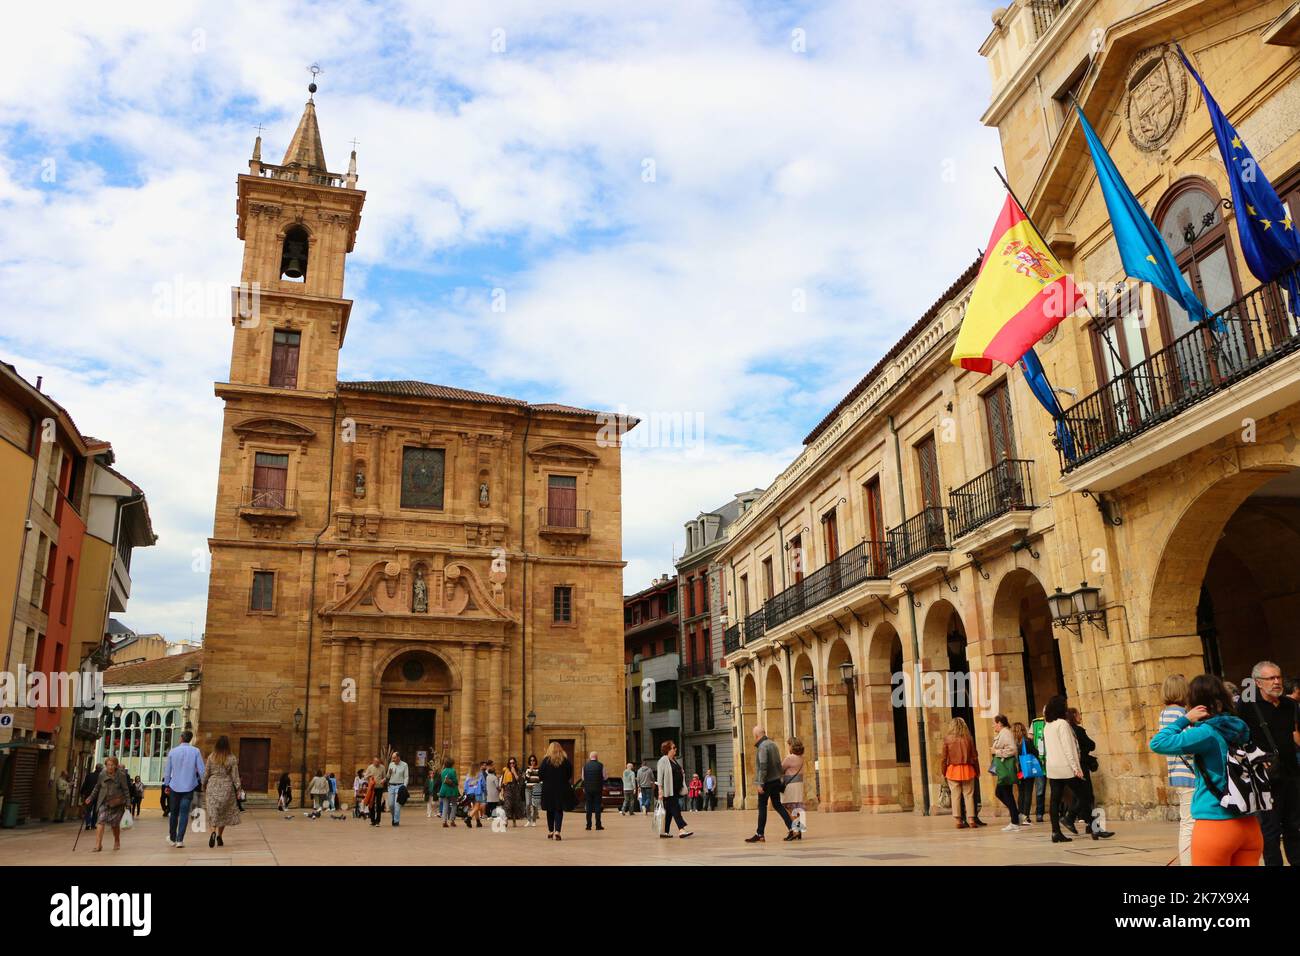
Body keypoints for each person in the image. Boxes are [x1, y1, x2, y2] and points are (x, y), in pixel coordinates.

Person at [1150, 673, 1265, 866]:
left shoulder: (1205, 733)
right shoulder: (1240, 727)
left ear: (1195, 703)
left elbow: (1158, 743)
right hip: (1249, 825)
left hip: (1215, 823)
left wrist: (1185, 719)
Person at [1240, 660, 1299, 866]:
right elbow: (1236, 738)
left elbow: (1293, 734)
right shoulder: (1246, 707)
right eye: (1270, 678)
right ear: (1257, 682)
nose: (1276, 682)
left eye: (1278, 677)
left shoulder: (1290, 705)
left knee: (1295, 826)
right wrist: (1253, 755)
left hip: (1291, 774)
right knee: (1270, 830)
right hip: (1266, 779)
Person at [1159, 674, 1197, 865]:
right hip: (1188, 772)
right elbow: (1188, 742)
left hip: (1177, 771)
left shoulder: (1165, 713)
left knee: (1187, 821)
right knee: (1190, 823)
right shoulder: (1180, 714)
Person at [1066, 707, 1114, 838]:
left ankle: (1091, 827)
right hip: (1081, 767)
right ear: (1073, 716)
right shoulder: (1078, 731)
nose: (1080, 716)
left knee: (1082, 796)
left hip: (1072, 767)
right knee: (1086, 796)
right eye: (1078, 714)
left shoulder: (1068, 730)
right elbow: (1091, 745)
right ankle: (1070, 818)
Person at [745, 724, 793, 843]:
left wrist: (760, 783)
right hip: (776, 780)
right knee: (777, 805)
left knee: (762, 806)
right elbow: (778, 763)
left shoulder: (762, 747)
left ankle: (760, 834)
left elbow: (763, 766)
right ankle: (793, 827)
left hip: (766, 782)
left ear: (756, 735)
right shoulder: (773, 744)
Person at [162, 729, 205, 849]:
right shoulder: (195, 751)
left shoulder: (173, 751)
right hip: (189, 786)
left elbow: (167, 770)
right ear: (190, 739)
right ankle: (180, 839)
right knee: (184, 813)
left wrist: (166, 784)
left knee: (174, 813)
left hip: (174, 786)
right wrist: (203, 782)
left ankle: (172, 837)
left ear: (181, 737)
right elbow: (201, 769)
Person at [85, 755, 132, 852]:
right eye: (108, 765)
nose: (110, 767)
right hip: (104, 802)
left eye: (112, 765)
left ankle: (117, 840)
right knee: (100, 821)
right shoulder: (102, 774)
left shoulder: (121, 775)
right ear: (106, 765)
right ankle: (98, 845)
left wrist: (128, 803)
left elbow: (126, 790)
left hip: (117, 803)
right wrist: (90, 797)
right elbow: (97, 787)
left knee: (114, 825)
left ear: (116, 766)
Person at [941, 717, 982, 829]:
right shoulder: (968, 738)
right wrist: (977, 771)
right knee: (969, 795)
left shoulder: (947, 739)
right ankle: (971, 819)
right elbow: (974, 756)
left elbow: (944, 758)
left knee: (955, 796)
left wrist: (943, 771)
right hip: (968, 769)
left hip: (953, 769)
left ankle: (958, 820)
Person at [203, 735, 242, 848]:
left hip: (213, 785)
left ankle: (213, 832)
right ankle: (220, 836)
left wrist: (203, 784)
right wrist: (238, 788)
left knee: (212, 812)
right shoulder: (232, 758)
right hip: (226, 787)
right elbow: (235, 775)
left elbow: (206, 773)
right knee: (223, 812)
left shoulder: (211, 757)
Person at [990, 715, 1023, 831]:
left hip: (1006, 767)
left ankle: (1015, 820)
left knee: (1002, 792)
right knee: (1002, 792)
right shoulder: (1002, 733)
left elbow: (1013, 749)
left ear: (999, 723)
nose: (993, 725)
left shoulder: (1005, 733)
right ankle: (1016, 815)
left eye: (994, 723)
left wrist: (997, 751)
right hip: (1003, 768)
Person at [656, 740, 693, 838]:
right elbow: (660, 777)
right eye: (673, 747)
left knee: (669, 811)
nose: (675, 749)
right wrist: (660, 790)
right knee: (676, 809)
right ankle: (681, 829)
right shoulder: (663, 760)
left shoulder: (674, 760)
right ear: (668, 749)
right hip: (668, 791)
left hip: (675, 790)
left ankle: (664, 831)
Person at [538, 741, 573, 840]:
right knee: (559, 809)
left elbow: (540, 775)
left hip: (548, 789)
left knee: (550, 810)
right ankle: (557, 831)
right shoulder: (565, 761)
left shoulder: (546, 761)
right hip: (560, 788)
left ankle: (550, 831)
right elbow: (569, 774)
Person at [1012, 722, 1044, 823]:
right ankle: (1026, 815)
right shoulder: (1027, 741)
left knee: (1021, 793)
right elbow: (1036, 752)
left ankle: (1020, 815)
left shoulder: (1013, 743)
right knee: (1028, 793)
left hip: (1017, 771)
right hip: (1027, 769)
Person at [781, 738, 806, 839]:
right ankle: (799, 831)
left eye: (788, 745)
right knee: (797, 808)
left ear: (791, 746)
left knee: (789, 808)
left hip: (790, 785)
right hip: (799, 784)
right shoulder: (801, 758)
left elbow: (781, 769)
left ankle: (795, 831)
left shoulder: (790, 758)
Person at [582, 751, 605, 831]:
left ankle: (588, 825)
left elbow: (583, 778)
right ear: (597, 757)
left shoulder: (585, 766)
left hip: (588, 789)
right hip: (598, 789)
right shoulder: (600, 765)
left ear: (590, 757)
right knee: (597, 806)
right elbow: (605, 776)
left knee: (588, 807)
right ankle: (598, 825)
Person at [386, 750, 410, 827]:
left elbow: (406, 776)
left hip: (400, 787)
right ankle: (393, 817)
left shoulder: (404, 765)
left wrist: (404, 786)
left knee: (397, 805)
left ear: (398, 757)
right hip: (391, 786)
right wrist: (389, 773)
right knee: (391, 805)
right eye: (392, 758)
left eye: (394, 758)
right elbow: (388, 777)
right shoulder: (391, 764)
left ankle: (396, 821)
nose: (393, 760)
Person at [502, 757, 526, 826]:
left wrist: (514, 772)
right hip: (508, 789)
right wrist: (502, 791)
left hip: (515, 789)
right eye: (510, 763)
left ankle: (514, 820)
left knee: (514, 805)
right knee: (507, 804)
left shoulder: (518, 770)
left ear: (515, 763)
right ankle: (506, 820)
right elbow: (503, 781)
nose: (511, 764)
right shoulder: (506, 770)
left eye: (513, 763)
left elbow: (519, 780)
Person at [438, 757, 460, 827]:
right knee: (454, 805)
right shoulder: (452, 770)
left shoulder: (443, 771)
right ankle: (452, 820)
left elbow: (442, 780)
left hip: (444, 790)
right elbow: (455, 781)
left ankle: (444, 821)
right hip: (452, 790)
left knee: (445, 805)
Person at [365, 756, 386, 827]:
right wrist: (369, 776)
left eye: (378, 762)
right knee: (371, 804)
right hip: (372, 788)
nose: (377, 764)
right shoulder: (370, 767)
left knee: (378, 804)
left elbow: (384, 777)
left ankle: (378, 821)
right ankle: (372, 820)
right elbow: (365, 777)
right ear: (373, 762)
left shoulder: (382, 767)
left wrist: (383, 780)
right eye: (376, 762)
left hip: (379, 788)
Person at [80, 763, 101, 831]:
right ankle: (93, 824)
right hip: (97, 796)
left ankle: (87, 824)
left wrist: (82, 793)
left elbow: (85, 784)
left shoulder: (89, 775)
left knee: (88, 810)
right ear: (100, 769)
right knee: (95, 810)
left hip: (89, 795)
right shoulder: (101, 776)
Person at [524, 754, 542, 827]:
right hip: (528, 788)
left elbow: (540, 779)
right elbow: (526, 778)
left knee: (535, 805)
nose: (532, 762)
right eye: (531, 760)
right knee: (528, 804)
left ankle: (534, 820)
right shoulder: (527, 769)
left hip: (536, 789)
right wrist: (530, 771)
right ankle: (529, 820)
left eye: (533, 760)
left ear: (535, 761)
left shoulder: (538, 769)